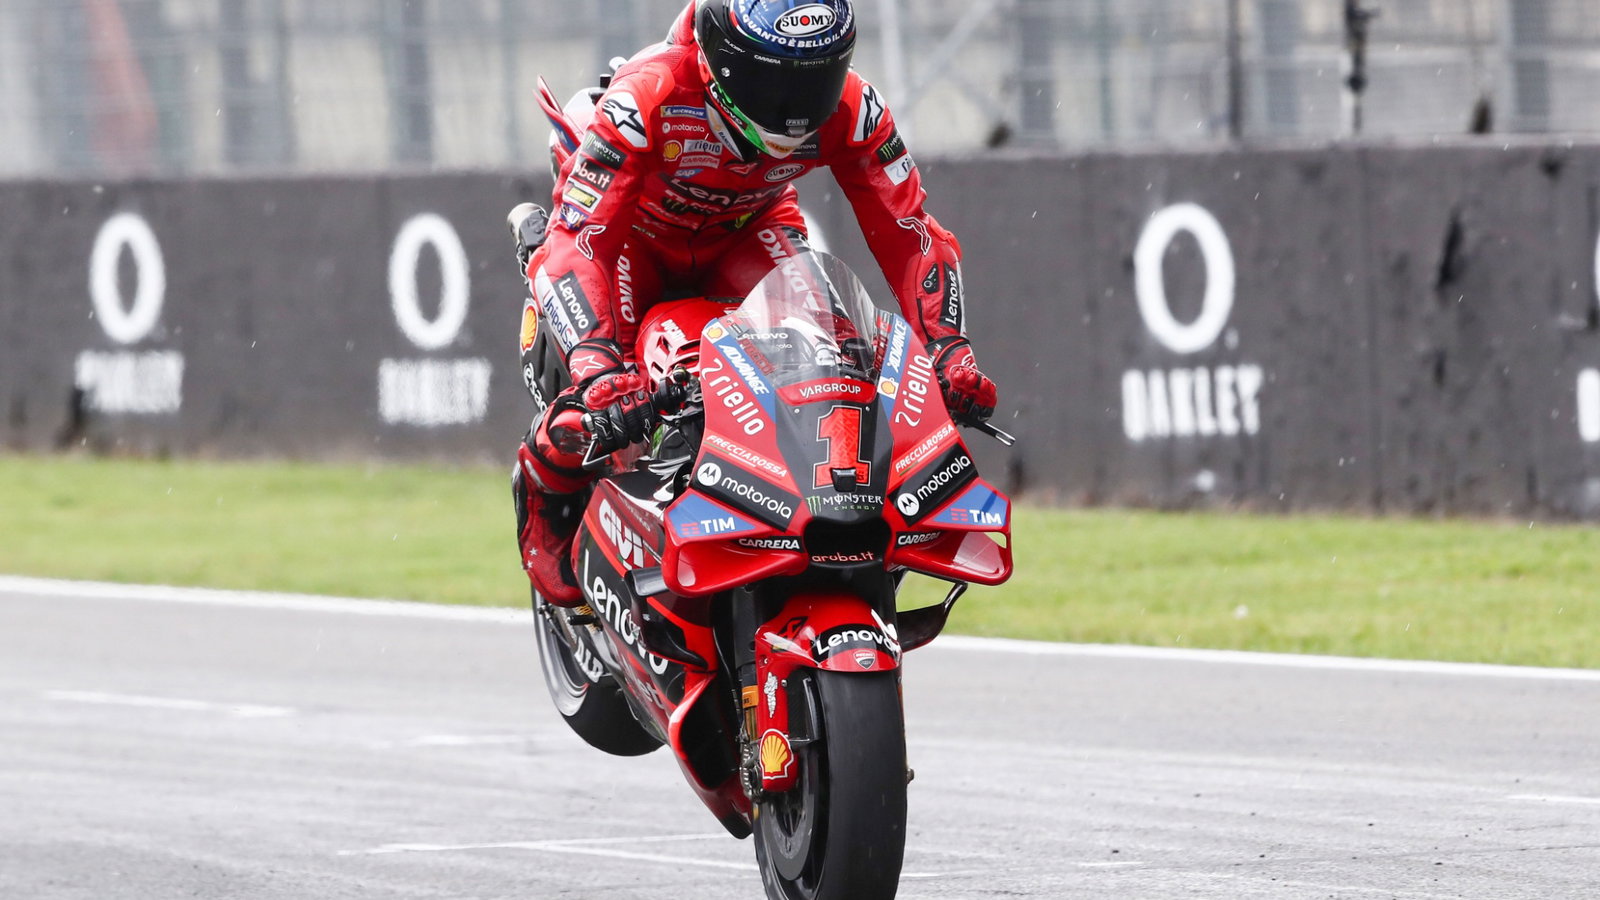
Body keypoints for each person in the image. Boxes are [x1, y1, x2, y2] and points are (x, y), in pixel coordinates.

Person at [513, 0, 998, 605]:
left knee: (838, 350)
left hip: (749, 229)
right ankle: (545, 487)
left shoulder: (855, 107)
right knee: (611, 398)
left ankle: (825, 518)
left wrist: (949, 350)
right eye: (772, 81)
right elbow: (576, 241)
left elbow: (912, 232)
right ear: (720, 57)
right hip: (633, 239)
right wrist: (595, 365)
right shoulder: (648, 96)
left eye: (816, 80)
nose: (796, 110)